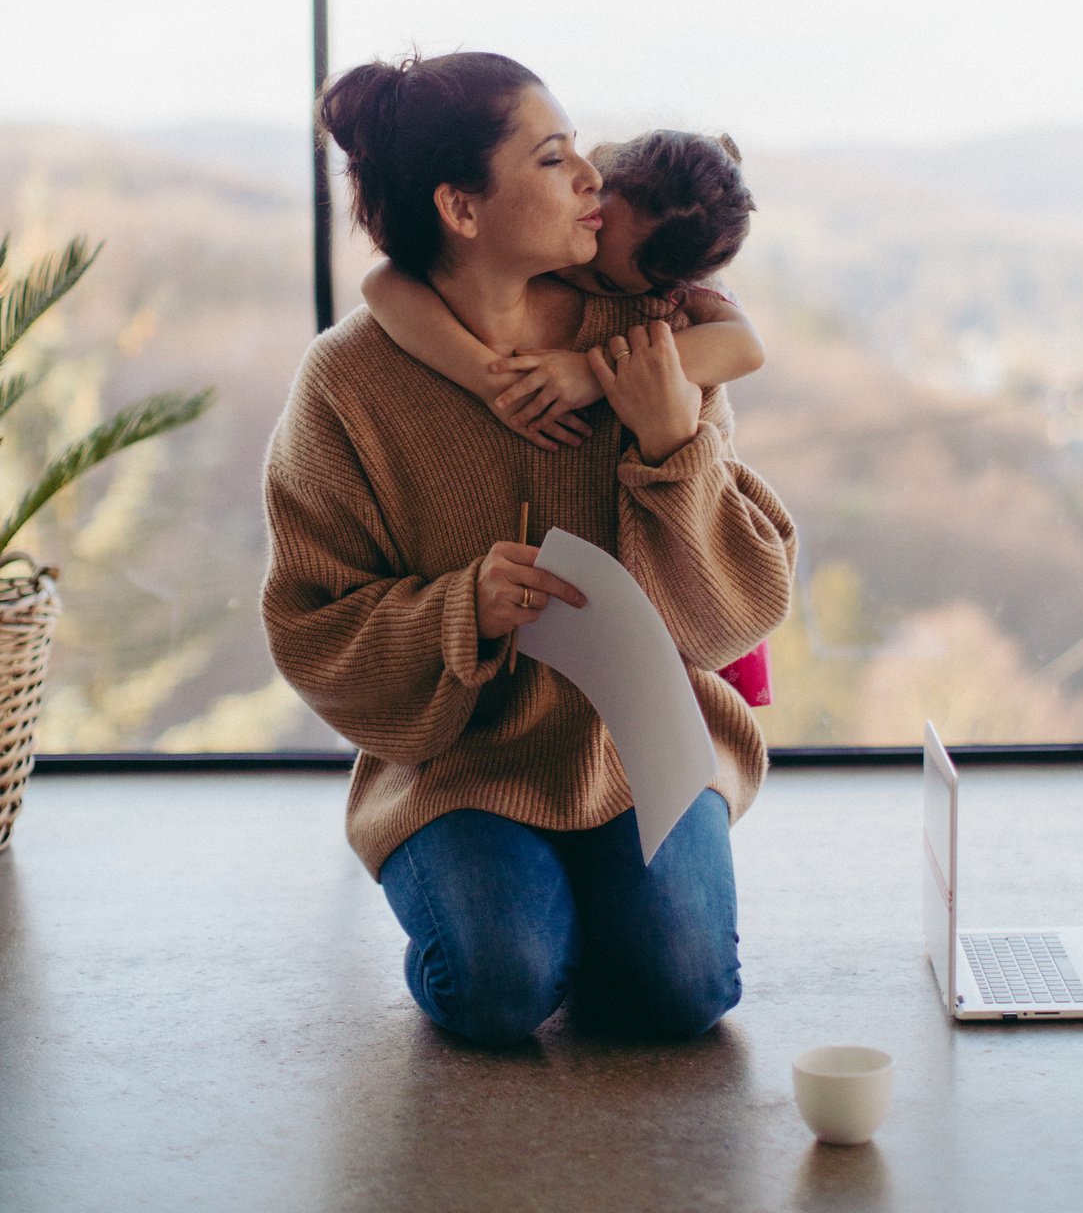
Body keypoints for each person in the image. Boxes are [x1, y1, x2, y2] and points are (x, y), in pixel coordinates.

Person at [260, 51, 796, 1048]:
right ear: (463, 209)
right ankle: (533, 911)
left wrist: (673, 443)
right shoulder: (347, 383)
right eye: (554, 159)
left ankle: (594, 914)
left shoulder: (652, 340)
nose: (593, 176)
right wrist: (462, 607)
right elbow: (310, 619)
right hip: (458, 766)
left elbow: (736, 612)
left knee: (687, 990)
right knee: (498, 988)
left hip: (640, 754)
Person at [360, 126, 776, 706]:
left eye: (605, 282)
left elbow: (745, 347)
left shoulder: (676, 287)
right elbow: (382, 284)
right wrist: (488, 379)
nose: (576, 264)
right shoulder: (565, 193)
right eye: (593, 229)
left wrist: (590, 371)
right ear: (596, 171)